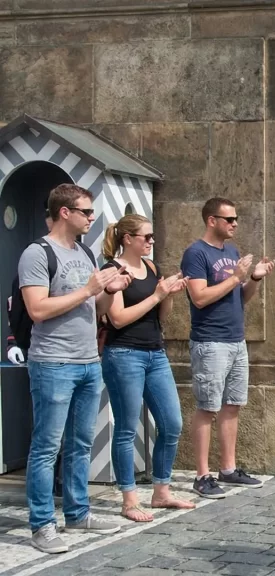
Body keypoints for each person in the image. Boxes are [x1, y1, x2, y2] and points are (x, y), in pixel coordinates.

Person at [18, 183, 131, 553]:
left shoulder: (84, 251)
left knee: (81, 443)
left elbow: (96, 309)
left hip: (87, 362)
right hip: (53, 363)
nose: (92, 218)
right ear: (65, 212)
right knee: (46, 447)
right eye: (86, 211)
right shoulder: (36, 253)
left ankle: (78, 512)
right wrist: (88, 289)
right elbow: (37, 310)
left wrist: (111, 288)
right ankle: (41, 525)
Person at [100, 214, 195, 522]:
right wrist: (156, 294)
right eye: (146, 237)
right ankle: (129, 500)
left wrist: (167, 295)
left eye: (152, 237)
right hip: (124, 353)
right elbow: (117, 319)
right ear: (128, 239)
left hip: (156, 353)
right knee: (127, 428)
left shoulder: (152, 268)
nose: (152, 241)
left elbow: (161, 316)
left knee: (172, 423)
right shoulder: (112, 271)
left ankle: (161, 491)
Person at [181, 198, 275, 499]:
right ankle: (201, 475)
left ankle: (228, 468)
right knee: (207, 407)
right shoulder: (196, 253)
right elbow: (199, 298)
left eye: (236, 218)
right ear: (212, 220)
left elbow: (239, 298)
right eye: (229, 219)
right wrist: (236, 276)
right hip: (210, 341)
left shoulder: (232, 251)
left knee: (232, 404)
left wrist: (254, 279)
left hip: (236, 339)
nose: (235, 223)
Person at [7, 202, 53, 365]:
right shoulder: (36, 252)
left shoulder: (82, 253)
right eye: (47, 215)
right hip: (38, 345)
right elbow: (16, 303)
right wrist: (12, 341)